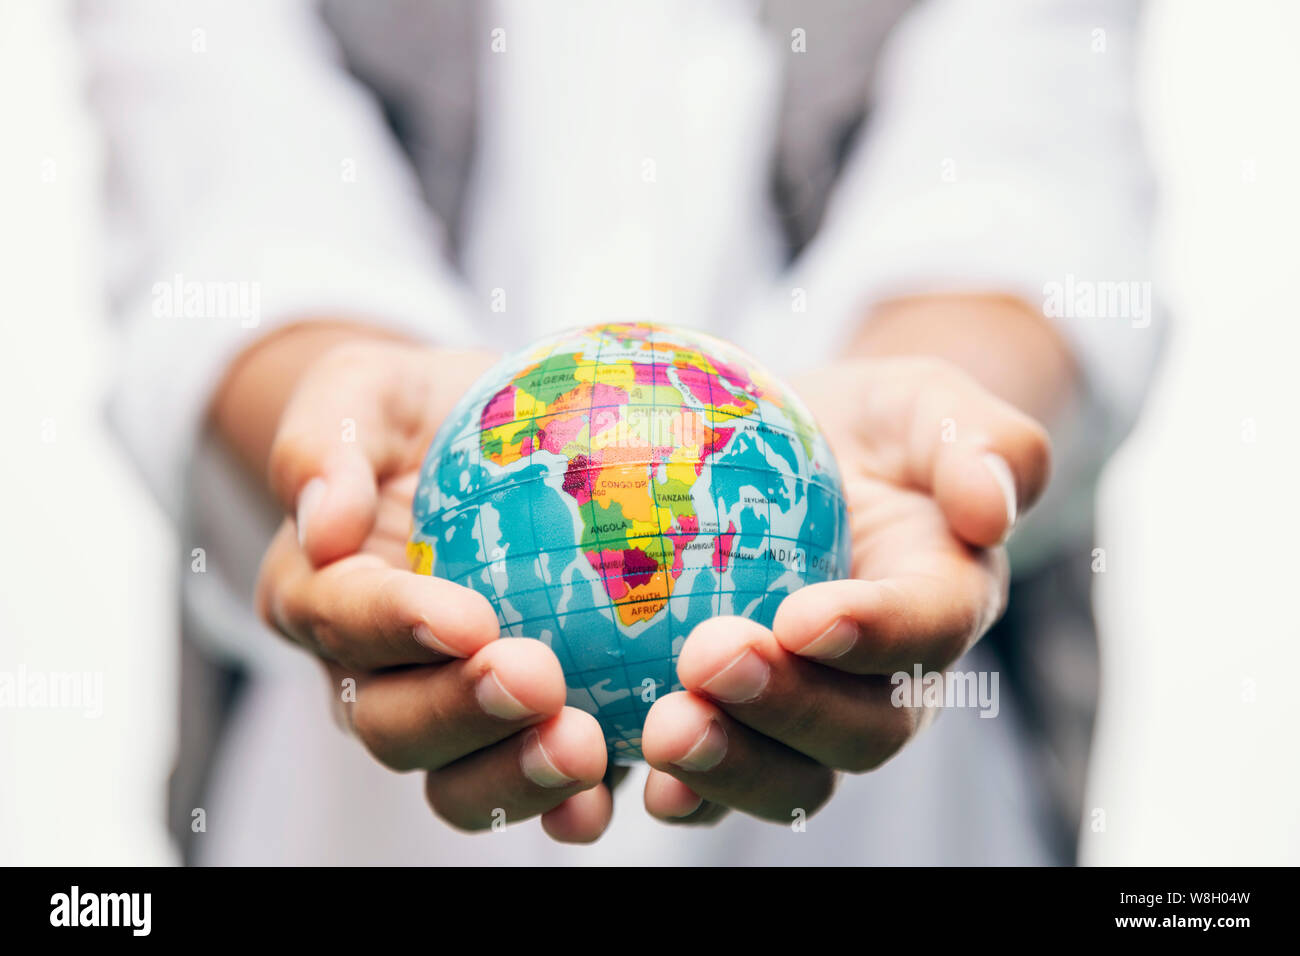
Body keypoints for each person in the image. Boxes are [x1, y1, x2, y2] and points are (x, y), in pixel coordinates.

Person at [77, 0, 1161, 864]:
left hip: (918, 828)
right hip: (333, 822)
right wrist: (332, 413)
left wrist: (931, 401)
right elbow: (220, 198)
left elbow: (1027, 180)